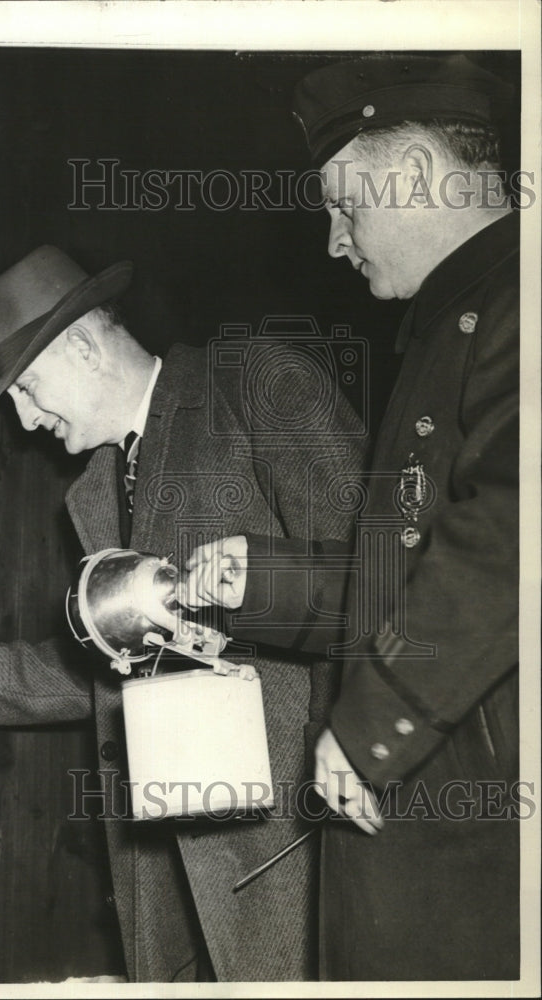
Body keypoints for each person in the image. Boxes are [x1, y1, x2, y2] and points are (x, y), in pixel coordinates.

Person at [0, 244, 366, 981]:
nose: (24, 419)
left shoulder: (254, 388)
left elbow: (381, 582)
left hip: (290, 852)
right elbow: (126, 662)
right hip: (166, 872)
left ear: (82, 347)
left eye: (27, 388)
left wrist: (359, 753)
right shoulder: (98, 487)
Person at [182, 53, 520, 981]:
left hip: (476, 840)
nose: (335, 243)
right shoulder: (456, 320)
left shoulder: (517, 303)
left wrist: (379, 727)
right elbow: (414, 569)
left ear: (412, 174)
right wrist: (263, 581)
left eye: (344, 207)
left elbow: (510, 535)